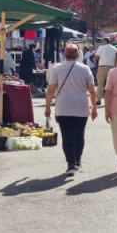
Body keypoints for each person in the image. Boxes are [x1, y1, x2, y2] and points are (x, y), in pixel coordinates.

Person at [45, 43, 97, 175]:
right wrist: (94, 108)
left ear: (64, 54)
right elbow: (92, 90)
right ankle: (78, 159)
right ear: (78, 55)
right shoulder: (85, 69)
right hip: (81, 105)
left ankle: (70, 163)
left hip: (63, 106)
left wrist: (47, 107)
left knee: (66, 135)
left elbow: (50, 90)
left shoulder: (57, 69)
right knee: (79, 134)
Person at [93, 39, 117, 104]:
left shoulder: (101, 47)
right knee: (111, 85)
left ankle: (98, 100)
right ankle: (111, 100)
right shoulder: (115, 49)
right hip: (112, 67)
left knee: (100, 84)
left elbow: (96, 57)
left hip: (102, 66)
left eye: (102, 41)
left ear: (105, 41)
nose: (101, 43)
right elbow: (116, 60)